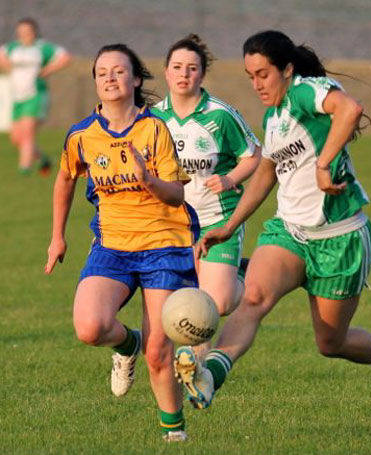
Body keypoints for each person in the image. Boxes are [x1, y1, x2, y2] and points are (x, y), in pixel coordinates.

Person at [173, 30, 371, 412]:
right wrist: (230, 225)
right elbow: (265, 175)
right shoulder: (273, 117)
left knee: (330, 343)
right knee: (252, 298)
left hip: (340, 238)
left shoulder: (306, 91)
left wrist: (323, 165)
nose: (257, 84)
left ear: (287, 70)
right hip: (289, 232)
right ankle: (209, 376)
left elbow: (349, 109)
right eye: (251, 76)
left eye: (263, 74)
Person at [45, 43, 199, 442]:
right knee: (90, 328)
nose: (110, 79)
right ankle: (126, 343)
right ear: (96, 82)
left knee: (159, 354)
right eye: (102, 73)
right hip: (112, 246)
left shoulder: (155, 129)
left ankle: (174, 435)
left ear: (135, 79)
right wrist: (57, 237)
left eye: (118, 72)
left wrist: (148, 179)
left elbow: (177, 196)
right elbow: (64, 178)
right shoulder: (81, 135)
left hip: (165, 245)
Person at [152, 35, 260, 323]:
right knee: (189, 300)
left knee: (219, 302)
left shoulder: (221, 115)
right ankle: (192, 365)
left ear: (202, 73)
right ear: (166, 71)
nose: (183, 74)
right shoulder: (152, 119)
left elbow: (253, 155)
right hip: (173, 223)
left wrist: (230, 178)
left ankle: (242, 272)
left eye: (191, 68)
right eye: (176, 67)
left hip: (217, 217)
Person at [0, 17, 72, 175]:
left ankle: (24, 170)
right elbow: (1, 55)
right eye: (21, 32)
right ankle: (43, 159)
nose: (24, 35)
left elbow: (65, 58)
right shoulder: (13, 48)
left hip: (36, 95)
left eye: (27, 32)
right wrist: (7, 65)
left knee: (27, 133)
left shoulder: (42, 48)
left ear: (34, 32)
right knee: (16, 138)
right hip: (18, 97)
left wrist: (47, 70)